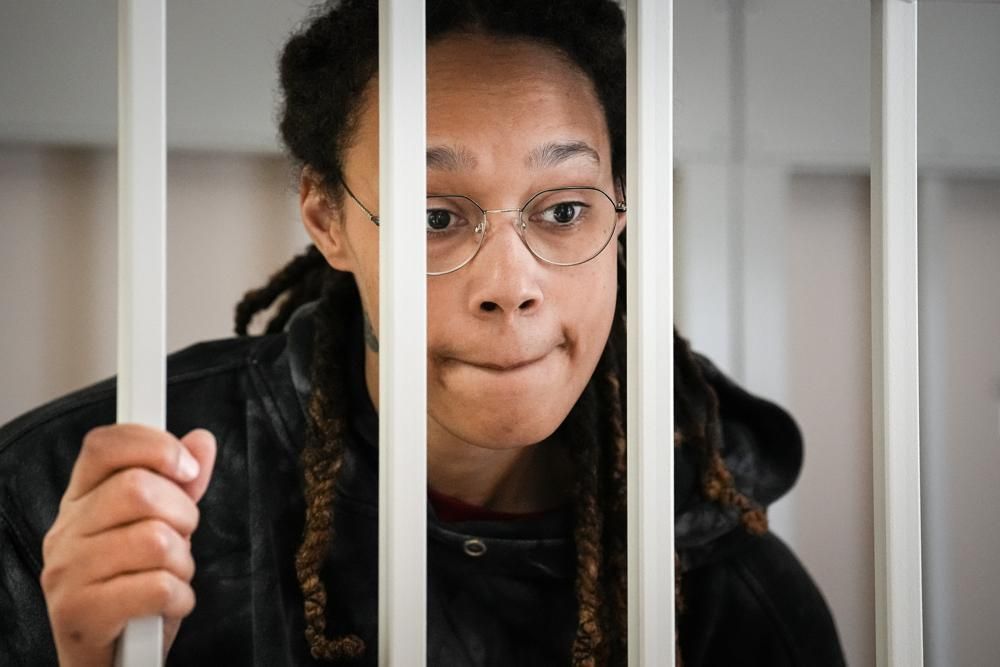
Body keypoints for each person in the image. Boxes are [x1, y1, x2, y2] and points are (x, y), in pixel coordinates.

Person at [0, 0, 846, 665]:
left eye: (563, 211)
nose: (511, 287)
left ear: (621, 213)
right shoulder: (81, 502)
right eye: (436, 215)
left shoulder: (722, 576)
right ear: (327, 218)